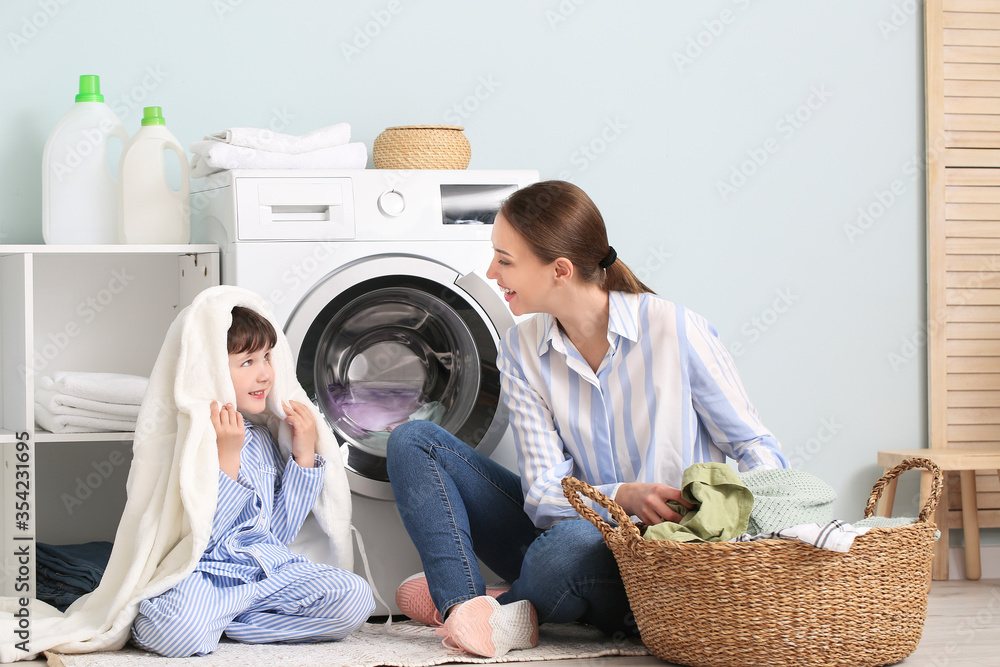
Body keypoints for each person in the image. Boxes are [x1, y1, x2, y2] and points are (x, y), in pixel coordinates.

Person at [386, 180, 789, 658]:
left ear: (560, 269)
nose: (492, 272)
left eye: (505, 259)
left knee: (569, 548)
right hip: (566, 532)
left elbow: (758, 448)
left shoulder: (675, 330)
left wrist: (735, 533)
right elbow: (540, 494)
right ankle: (467, 608)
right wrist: (621, 496)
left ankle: (509, 604)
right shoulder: (521, 350)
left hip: (658, 567)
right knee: (414, 441)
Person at [131, 306, 374, 657]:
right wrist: (227, 458)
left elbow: (277, 532)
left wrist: (304, 456)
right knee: (175, 633)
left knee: (354, 598)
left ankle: (225, 625)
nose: (265, 375)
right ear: (211, 371)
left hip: (267, 573)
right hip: (208, 576)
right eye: (247, 363)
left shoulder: (261, 439)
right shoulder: (189, 442)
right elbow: (198, 538)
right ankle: (206, 619)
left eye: (266, 358)